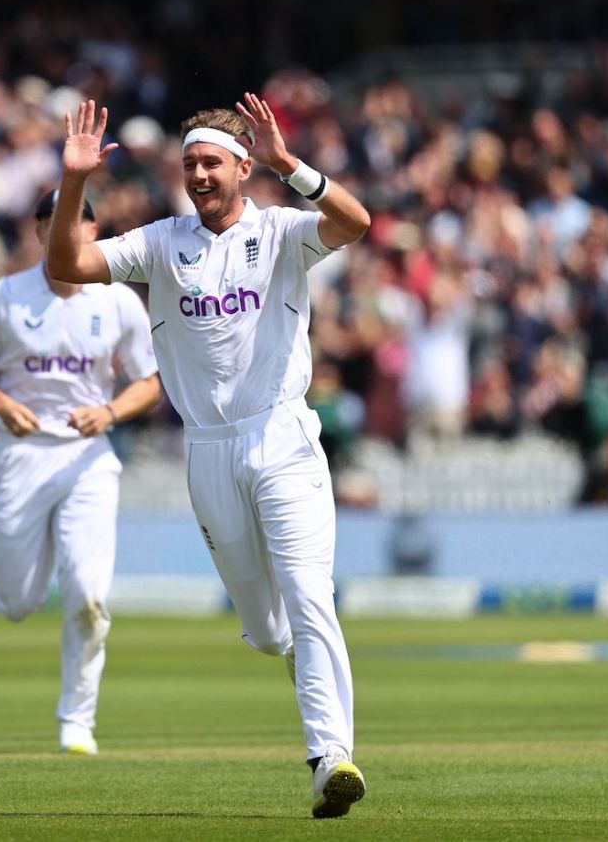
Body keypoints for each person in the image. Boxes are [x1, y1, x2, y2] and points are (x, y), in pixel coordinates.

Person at [45, 95, 372, 818]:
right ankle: (291, 653)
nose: (198, 173)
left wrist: (296, 168)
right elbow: (66, 259)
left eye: (211, 162)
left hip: (284, 438)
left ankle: (331, 757)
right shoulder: (162, 242)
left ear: (244, 168)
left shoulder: (283, 230)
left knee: (311, 593)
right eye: (190, 162)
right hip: (209, 451)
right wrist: (74, 182)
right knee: (266, 627)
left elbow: (355, 222)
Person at [0, 190, 160, 755]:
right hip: (22, 454)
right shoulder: (7, 295)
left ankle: (77, 720)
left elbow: (148, 380)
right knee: (16, 603)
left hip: (89, 458)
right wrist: (0, 405)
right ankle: (34, 565)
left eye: (77, 224)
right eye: (53, 223)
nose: (65, 232)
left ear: (92, 233)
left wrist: (111, 411)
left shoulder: (116, 301)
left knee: (89, 595)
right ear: (39, 231)